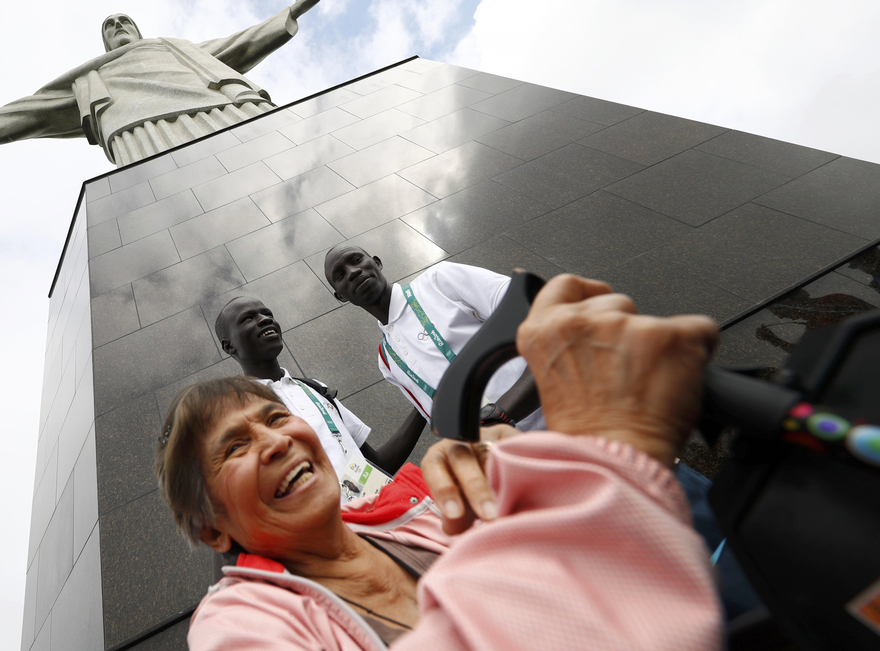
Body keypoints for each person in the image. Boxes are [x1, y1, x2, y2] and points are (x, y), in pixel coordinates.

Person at [155, 274, 726, 650]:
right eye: (235, 447)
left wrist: (604, 459)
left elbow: (621, 612)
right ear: (209, 525)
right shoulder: (241, 625)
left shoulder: (423, 515)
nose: (276, 441)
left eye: (278, 421)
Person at [0, 0, 341, 166]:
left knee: (276, 164)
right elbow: (31, 109)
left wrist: (289, 11)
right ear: (104, 42)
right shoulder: (89, 78)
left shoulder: (176, 48)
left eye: (125, 22)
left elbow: (238, 44)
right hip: (141, 132)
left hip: (222, 107)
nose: (120, 27)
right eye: (110, 26)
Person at [215, 296, 428, 499]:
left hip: (385, 519)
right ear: (228, 346)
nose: (265, 319)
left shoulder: (314, 388)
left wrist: (427, 399)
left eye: (267, 313)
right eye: (248, 318)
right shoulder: (238, 415)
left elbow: (378, 465)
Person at [324, 246, 544, 431]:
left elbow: (542, 314)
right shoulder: (387, 360)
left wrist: (500, 415)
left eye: (356, 260)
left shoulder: (439, 280)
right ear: (340, 296)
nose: (353, 271)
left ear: (377, 262)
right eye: (340, 275)